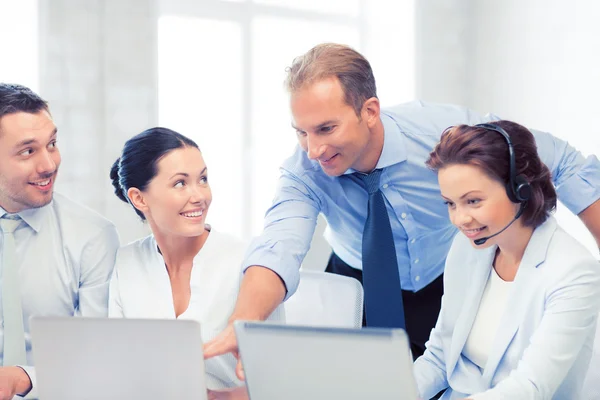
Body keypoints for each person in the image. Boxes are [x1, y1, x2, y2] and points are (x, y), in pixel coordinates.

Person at [203, 43, 600, 372]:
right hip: (361, 282)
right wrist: (246, 317)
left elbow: (562, 162)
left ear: (369, 111)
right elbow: (278, 246)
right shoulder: (304, 171)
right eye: (301, 132)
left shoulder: (441, 132)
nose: (314, 149)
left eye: (326, 128)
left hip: (448, 275)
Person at [412, 121, 600, 399]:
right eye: (450, 203)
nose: (460, 219)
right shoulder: (467, 249)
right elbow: (440, 357)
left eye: (473, 201)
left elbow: (530, 388)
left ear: (520, 189)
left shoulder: (573, 271)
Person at [109, 127, 278, 389]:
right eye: (180, 183)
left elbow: (278, 378)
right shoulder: (127, 262)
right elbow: (118, 365)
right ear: (139, 198)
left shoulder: (250, 262)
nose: (200, 196)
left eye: (203, 179)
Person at [0, 83, 120, 399]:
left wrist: (25, 379)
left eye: (51, 144)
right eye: (28, 151)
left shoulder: (93, 237)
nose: (49, 165)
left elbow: (98, 358)